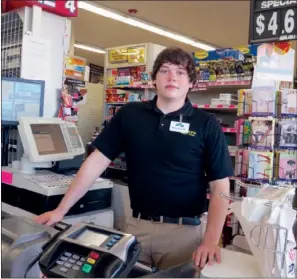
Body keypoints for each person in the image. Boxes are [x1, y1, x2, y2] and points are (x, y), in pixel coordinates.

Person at [35, 47, 233, 271]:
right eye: (165, 71)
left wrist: (210, 240)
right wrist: (61, 210)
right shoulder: (130, 115)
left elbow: (221, 186)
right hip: (136, 227)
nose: (172, 78)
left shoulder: (206, 124)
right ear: (154, 79)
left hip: (184, 235)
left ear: (191, 82)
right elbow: (95, 163)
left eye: (180, 72)